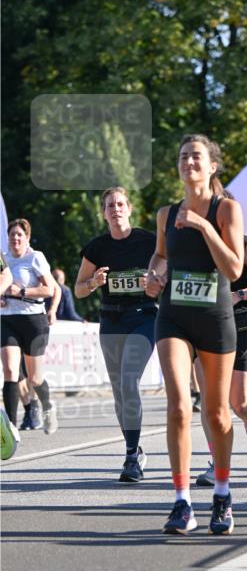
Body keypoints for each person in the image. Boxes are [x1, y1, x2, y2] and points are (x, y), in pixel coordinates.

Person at [145, 134, 244, 536]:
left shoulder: (227, 209)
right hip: (173, 317)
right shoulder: (166, 214)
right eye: (183, 156)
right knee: (178, 406)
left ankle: (221, 491)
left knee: (217, 413)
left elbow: (235, 269)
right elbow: (161, 255)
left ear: (212, 166)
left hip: (215, 318)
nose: (189, 162)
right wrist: (154, 275)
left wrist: (205, 226)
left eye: (196, 157)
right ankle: (182, 501)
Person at [76, 187, 157, 482]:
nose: (115, 209)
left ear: (130, 208)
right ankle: (134, 449)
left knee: (128, 380)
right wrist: (95, 282)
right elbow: (79, 288)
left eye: (120, 204)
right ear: (103, 213)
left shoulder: (149, 241)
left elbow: (167, 273)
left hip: (144, 317)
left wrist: (154, 280)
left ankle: (131, 456)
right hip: (111, 319)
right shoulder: (97, 247)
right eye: (110, 205)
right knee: (119, 392)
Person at [196, 233, 247, 485]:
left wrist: (238, 294)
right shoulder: (194, 243)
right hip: (206, 326)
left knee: (239, 403)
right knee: (209, 404)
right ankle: (217, 463)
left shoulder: (244, 243)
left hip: (242, 324)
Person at [0, 218, 59, 433]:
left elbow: (49, 290)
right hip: (7, 319)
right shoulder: (2, 260)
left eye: (19, 235)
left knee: (34, 378)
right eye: (12, 234)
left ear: (26, 238)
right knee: (10, 371)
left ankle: (47, 406)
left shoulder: (35, 258)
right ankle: (10, 430)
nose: (15, 238)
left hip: (33, 321)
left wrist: (21, 292)